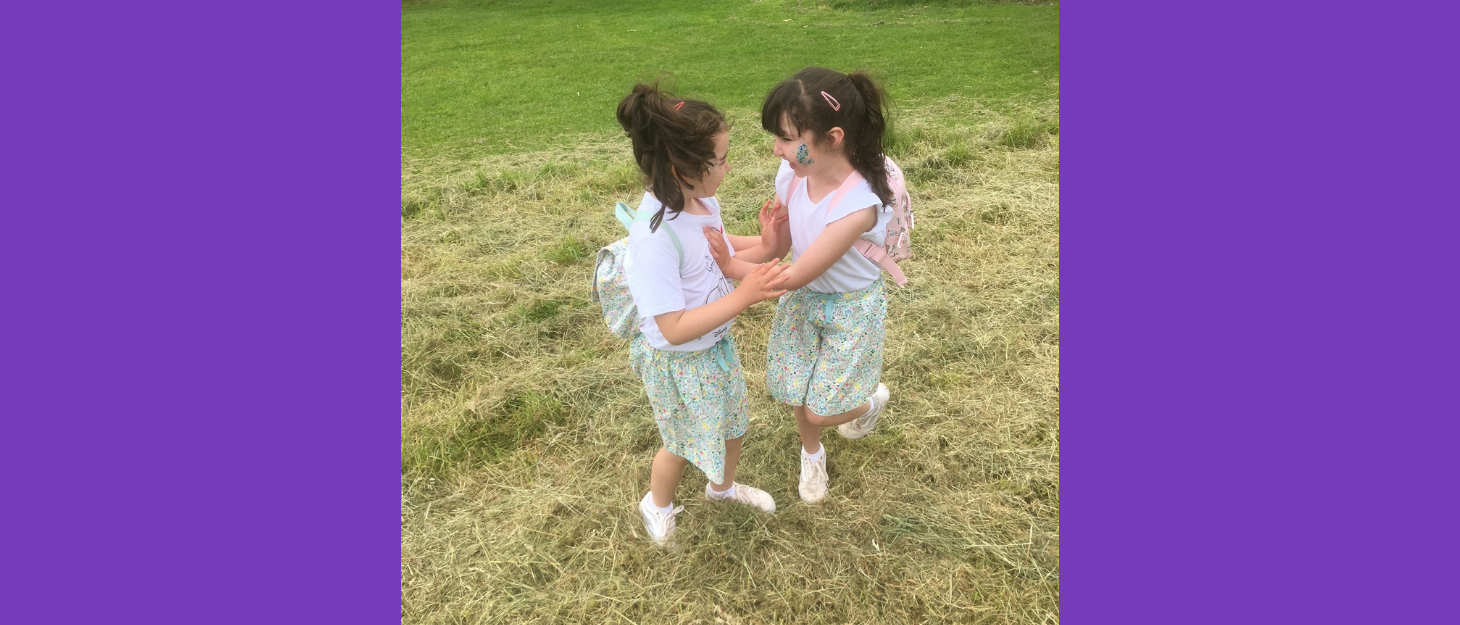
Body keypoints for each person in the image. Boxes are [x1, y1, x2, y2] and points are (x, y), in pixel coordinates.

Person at [706, 68, 901, 504]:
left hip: (849, 308)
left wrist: (730, 266)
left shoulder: (858, 206)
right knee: (797, 388)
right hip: (804, 302)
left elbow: (796, 273)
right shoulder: (792, 175)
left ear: (832, 138)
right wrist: (761, 238)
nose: (776, 148)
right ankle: (811, 453)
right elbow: (783, 248)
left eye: (787, 138)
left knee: (821, 407)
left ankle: (869, 403)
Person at [615, 83, 789, 546]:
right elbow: (670, 329)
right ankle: (657, 505)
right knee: (682, 443)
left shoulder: (700, 201)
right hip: (679, 363)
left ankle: (722, 489)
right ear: (681, 169)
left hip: (714, 348)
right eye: (721, 160)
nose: (729, 167)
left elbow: (719, 248)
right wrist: (744, 295)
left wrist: (768, 244)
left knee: (732, 424)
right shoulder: (653, 239)